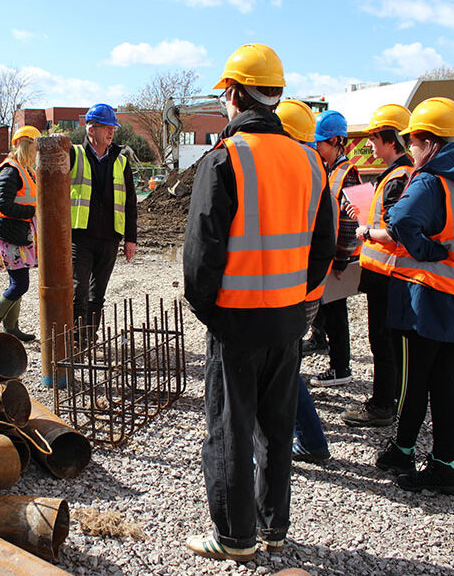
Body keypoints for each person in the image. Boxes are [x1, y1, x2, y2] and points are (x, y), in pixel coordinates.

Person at [183, 44, 335, 562]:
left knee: (230, 429)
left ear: (232, 92)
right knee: (276, 427)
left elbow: (200, 259)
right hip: (288, 321)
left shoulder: (226, 159)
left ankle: (235, 537)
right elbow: (323, 250)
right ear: (274, 97)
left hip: (237, 321)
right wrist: (299, 302)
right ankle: (273, 530)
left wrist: (214, 313)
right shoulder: (311, 162)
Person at [374, 97, 454, 494]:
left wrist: (427, 250)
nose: (409, 148)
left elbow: (401, 221)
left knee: (415, 380)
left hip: (428, 298)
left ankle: (402, 450)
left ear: (427, 141)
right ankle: (445, 465)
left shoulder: (431, 179)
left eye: (412, 141)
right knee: (445, 381)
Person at [341, 104, 413, 427]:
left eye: (373, 137)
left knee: (383, 342)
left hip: (386, 275)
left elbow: (396, 231)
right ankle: (392, 399)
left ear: (390, 140)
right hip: (383, 275)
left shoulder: (399, 178)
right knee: (387, 342)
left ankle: (383, 405)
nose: (369, 144)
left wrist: (366, 231)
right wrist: (362, 214)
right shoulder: (395, 176)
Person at [276, 99, 333, 462]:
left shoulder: (295, 169)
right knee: (284, 365)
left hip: (292, 291)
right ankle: (310, 439)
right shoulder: (314, 169)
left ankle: (310, 441)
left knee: (281, 368)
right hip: (304, 288)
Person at [68, 104, 137, 350]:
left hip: (110, 237)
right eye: (106, 128)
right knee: (79, 291)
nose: (111, 133)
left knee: (98, 294)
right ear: (91, 129)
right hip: (81, 236)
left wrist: (131, 238)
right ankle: (76, 338)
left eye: (113, 128)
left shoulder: (120, 161)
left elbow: (130, 201)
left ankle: (88, 336)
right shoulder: (73, 154)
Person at [306, 110, 361, 387]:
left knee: (337, 313)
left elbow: (350, 220)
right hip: (328, 255)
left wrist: (342, 257)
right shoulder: (328, 170)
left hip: (339, 256)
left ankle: (341, 368)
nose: (318, 148)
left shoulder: (347, 174)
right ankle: (322, 344)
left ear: (337, 141)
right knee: (326, 308)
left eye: (322, 144)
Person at [0, 125, 40, 341]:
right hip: (9, 234)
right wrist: (33, 211)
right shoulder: (11, 170)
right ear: (27, 145)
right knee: (20, 284)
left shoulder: (25, 170)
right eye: (35, 147)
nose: (37, 152)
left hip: (19, 233)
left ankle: (12, 326)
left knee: (19, 282)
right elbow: (4, 205)